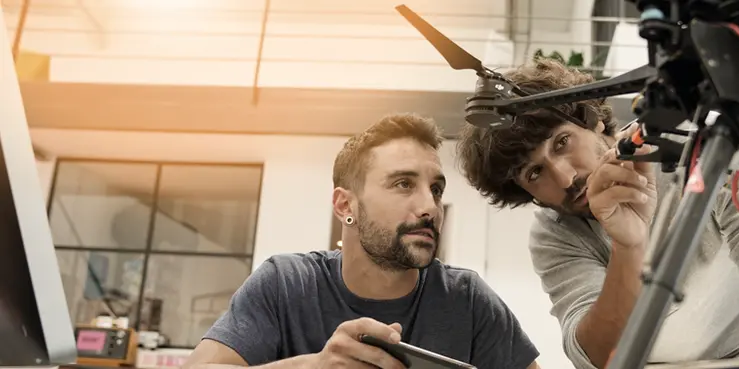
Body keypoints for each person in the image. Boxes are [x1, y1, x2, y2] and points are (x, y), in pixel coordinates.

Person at [456, 59, 739, 369]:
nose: (567, 177)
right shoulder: (555, 234)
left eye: (562, 142)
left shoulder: (700, 148)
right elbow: (598, 358)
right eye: (534, 173)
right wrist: (628, 245)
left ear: (594, 119)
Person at [184, 113, 541, 369]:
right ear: (345, 205)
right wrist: (316, 366)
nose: (430, 207)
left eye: (436, 189)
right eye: (403, 184)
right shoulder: (287, 283)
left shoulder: (467, 299)